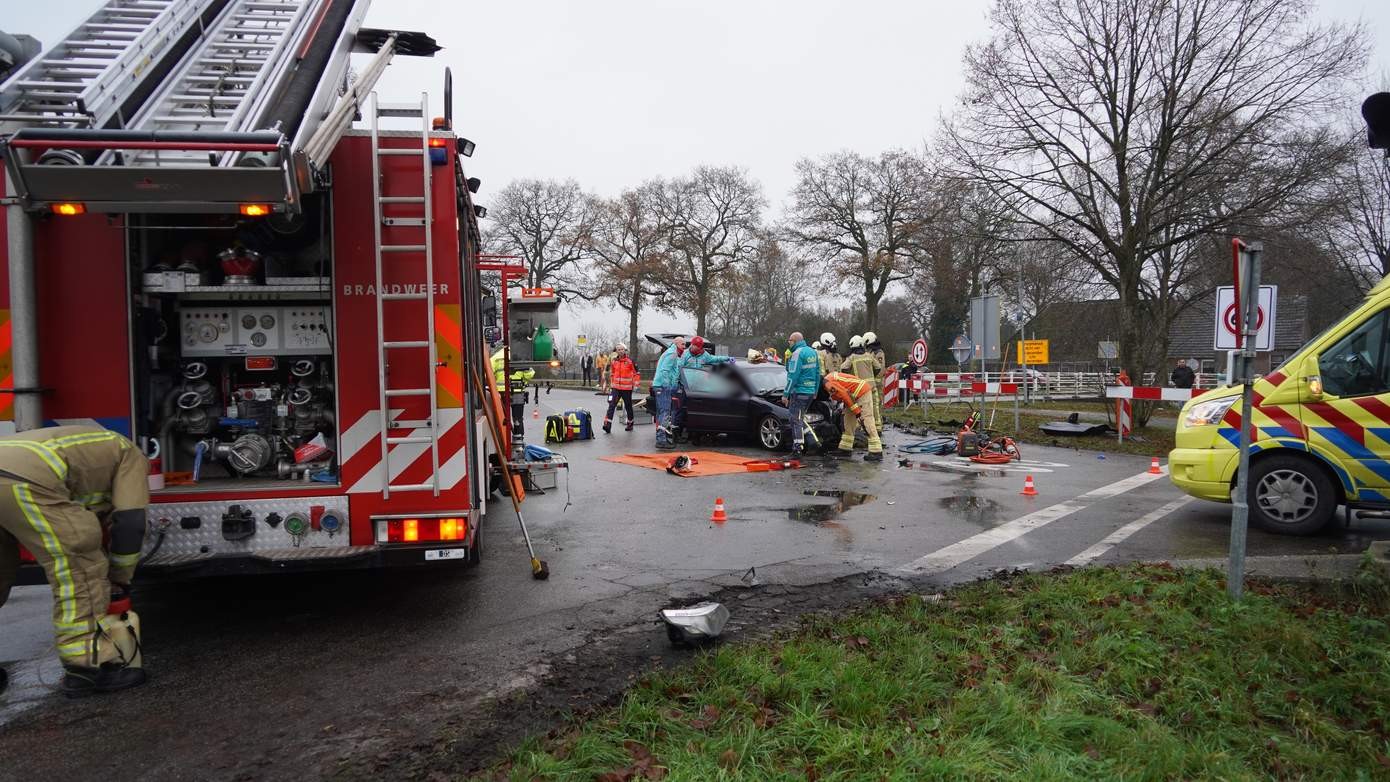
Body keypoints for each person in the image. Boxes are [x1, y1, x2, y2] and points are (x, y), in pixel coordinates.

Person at [0, 425, 150, 696]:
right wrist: (119, 576)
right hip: (22, 480)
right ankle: (86, 669)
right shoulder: (132, 455)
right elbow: (130, 522)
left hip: (14, 469)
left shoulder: (93, 446)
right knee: (79, 566)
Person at [675, 336, 735, 440]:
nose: (697, 348)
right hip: (685, 387)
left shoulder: (704, 355)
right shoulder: (685, 355)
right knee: (682, 410)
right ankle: (677, 433)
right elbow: (678, 369)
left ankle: (694, 433)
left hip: (697, 388)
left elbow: (714, 359)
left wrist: (727, 358)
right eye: (695, 346)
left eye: (699, 347)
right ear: (692, 345)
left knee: (696, 410)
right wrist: (676, 382)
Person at [823, 371, 883, 461]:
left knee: (866, 420)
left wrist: (857, 411)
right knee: (848, 421)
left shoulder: (828, 384)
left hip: (862, 392)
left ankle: (876, 451)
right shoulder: (827, 381)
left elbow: (844, 393)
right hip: (852, 395)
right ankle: (845, 449)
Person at [782, 332, 822, 456]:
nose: (788, 343)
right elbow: (817, 373)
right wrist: (815, 391)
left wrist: (785, 394)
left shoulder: (797, 353)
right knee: (799, 418)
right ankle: (812, 440)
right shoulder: (813, 352)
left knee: (795, 420)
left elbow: (792, 375)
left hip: (799, 392)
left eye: (789, 341)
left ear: (794, 341)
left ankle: (797, 448)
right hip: (809, 392)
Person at [650, 337, 686, 449]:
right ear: (676, 344)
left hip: (660, 386)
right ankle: (661, 440)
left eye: (685, 345)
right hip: (663, 387)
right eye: (682, 344)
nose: (684, 347)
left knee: (662, 413)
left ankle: (662, 438)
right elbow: (665, 371)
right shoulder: (672, 354)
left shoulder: (670, 352)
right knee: (665, 413)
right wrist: (667, 386)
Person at [492, 347, 536, 437]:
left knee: (503, 418)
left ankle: (503, 440)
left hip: (501, 393)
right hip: (518, 393)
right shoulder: (520, 357)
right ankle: (518, 441)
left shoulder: (496, 357)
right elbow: (529, 375)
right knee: (518, 418)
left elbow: (488, 373)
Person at [603, 343, 640, 434]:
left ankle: (630, 423)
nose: (620, 351)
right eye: (618, 350)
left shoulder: (630, 361)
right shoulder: (614, 361)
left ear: (625, 350)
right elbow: (612, 373)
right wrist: (611, 384)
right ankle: (608, 425)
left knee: (628, 406)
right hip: (615, 388)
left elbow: (636, 374)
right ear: (616, 351)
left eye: (622, 349)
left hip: (627, 389)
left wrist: (636, 385)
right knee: (611, 405)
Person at [864, 331, 886, 423]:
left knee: (877, 404)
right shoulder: (872, 351)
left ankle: (878, 423)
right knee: (873, 404)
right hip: (873, 382)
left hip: (878, 382)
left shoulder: (878, 353)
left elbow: (880, 368)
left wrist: (874, 379)